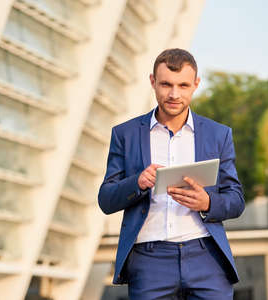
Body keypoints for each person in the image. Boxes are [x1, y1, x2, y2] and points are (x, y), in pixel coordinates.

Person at [98, 48, 245, 299]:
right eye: (166, 84)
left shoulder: (218, 134)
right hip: (149, 259)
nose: (174, 94)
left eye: (183, 85)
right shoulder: (125, 134)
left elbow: (236, 199)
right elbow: (106, 199)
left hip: (206, 257)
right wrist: (138, 182)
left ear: (196, 84)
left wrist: (208, 202)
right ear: (153, 82)